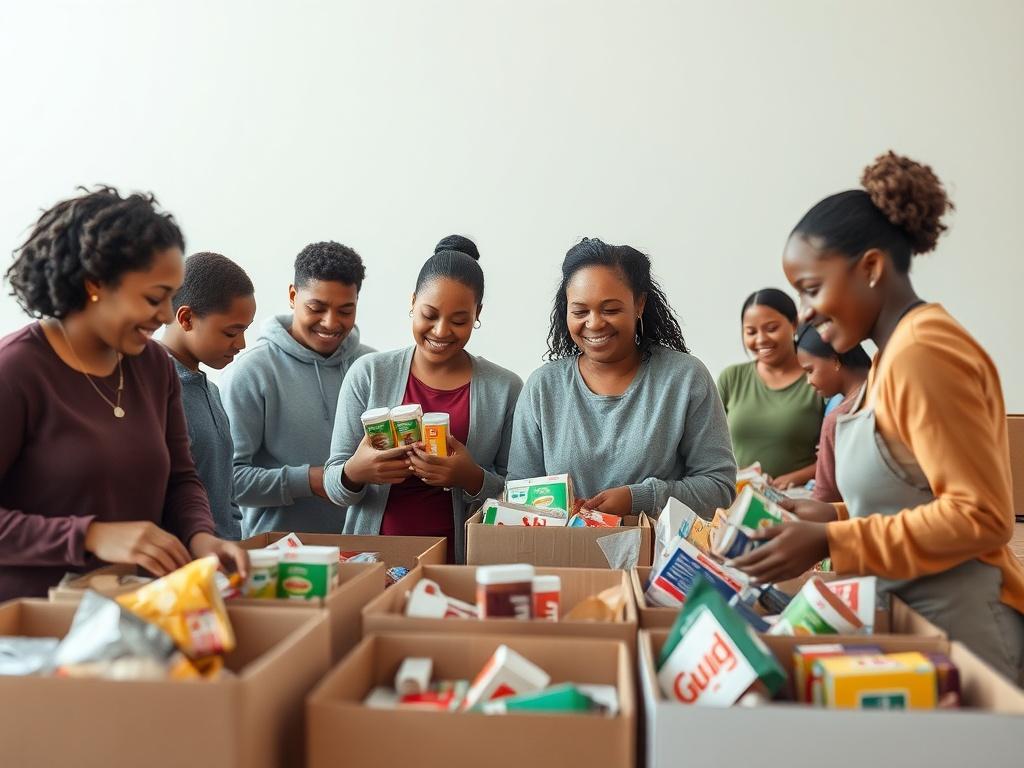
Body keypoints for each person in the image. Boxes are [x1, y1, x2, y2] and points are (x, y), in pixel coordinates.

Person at [733, 151, 1024, 683]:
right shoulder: (892, 357)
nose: (804, 313)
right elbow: (917, 495)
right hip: (919, 623)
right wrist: (834, 517)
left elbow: (981, 516)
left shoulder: (924, 351)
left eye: (812, 288)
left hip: (966, 633)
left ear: (870, 267)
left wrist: (832, 543)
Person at [0, 186, 248, 601]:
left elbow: (181, 478)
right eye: (155, 298)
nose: (168, 315)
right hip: (34, 625)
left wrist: (201, 537)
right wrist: (91, 536)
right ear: (95, 284)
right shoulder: (17, 372)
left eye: (171, 297)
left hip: (131, 611)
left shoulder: (153, 366)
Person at [324, 236, 522, 562]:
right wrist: (355, 472)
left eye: (459, 320)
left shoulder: (505, 388)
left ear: (478, 314)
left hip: (463, 562)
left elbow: (519, 494)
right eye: (429, 314)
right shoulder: (369, 374)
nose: (441, 331)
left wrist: (471, 478)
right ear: (413, 302)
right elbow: (335, 485)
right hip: (371, 561)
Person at [507, 238, 735, 518]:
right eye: (580, 311)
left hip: (656, 559)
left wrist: (639, 498)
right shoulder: (543, 387)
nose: (594, 323)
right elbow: (516, 496)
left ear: (639, 303)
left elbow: (719, 489)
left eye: (610, 310)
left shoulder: (685, 379)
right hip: (563, 558)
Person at [220, 241, 374, 537]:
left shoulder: (370, 366)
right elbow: (228, 480)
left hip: (366, 552)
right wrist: (315, 480)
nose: (331, 323)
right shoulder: (251, 371)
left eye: (345, 310)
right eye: (317, 308)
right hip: (280, 557)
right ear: (293, 296)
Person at [161, 252, 257, 540]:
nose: (241, 344)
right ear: (187, 318)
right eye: (231, 332)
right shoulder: (153, 393)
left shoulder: (211, 391)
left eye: (245, 331)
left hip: (219, 564)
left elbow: (225, 493)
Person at [718, 288, 825, 489]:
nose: (760, 339)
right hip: (739, 497)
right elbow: (706, 449)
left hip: (798, 497)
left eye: (771, 328)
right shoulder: (731, 378)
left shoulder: (818, 379)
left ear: (794, 324)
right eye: (751, 332)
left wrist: (795, 477)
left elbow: (837, 454)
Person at [794, 323, 870, 503]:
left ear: (835, 361)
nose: (808, 381)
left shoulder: (838, 419)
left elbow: (825, 498)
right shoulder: (888, 384)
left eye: (809, 371)